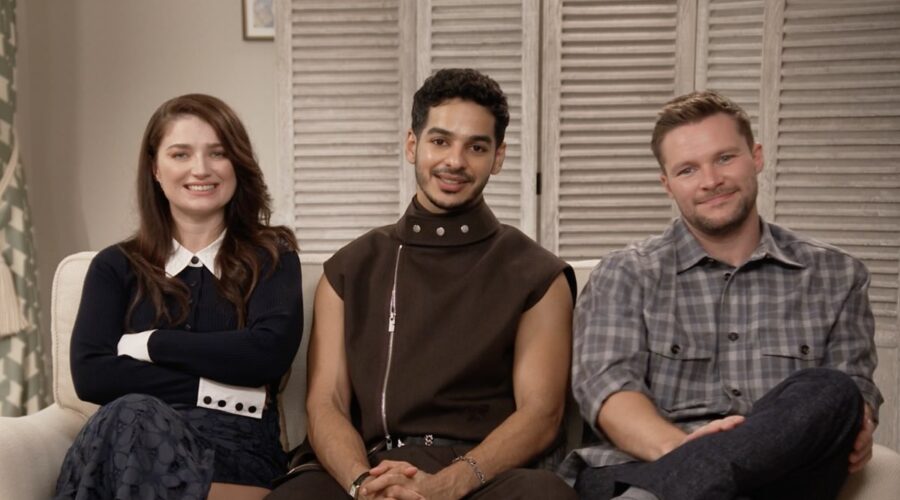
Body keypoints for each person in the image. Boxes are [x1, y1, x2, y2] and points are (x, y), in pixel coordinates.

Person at [268, 68, 578, 499]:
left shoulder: (538, 275)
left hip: (484, 476)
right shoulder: (348, 269)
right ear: (412, 145)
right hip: (366, 467)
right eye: (440, 141)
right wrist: (363, 484)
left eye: (476, 147)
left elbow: (541, 415)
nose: (455, 161)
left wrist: (445, 486)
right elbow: (326, 404)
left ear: (498, 157)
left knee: (546, 495)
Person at [564, 90, 883, 500]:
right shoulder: (625, 273)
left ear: (757, 156)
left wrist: (858, 418)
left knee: (832, 389)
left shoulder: (837, 274)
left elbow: (851, 397)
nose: (711, 181)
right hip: (647, 465)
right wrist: (687, 455)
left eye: (725, 158)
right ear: (667, 185)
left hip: (783, 474)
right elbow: (608, 392)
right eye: (687, 170)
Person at [55, 94, 303, 500]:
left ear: (237, 163)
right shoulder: (114, 267)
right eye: (180, 154)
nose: (200, 169)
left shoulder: (272, 257)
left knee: (130, 414)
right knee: (133, 416)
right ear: (155, 168)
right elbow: (91, 375)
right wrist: (224, 393)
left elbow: (267, 353)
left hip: (235, 452)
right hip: (126, 441)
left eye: (217, 153)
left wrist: (150, 344)